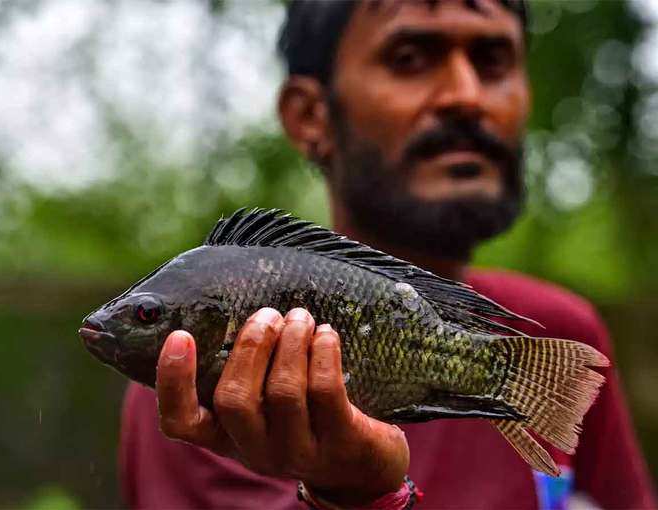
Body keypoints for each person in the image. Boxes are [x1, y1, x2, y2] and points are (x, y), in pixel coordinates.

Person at [120, 1, 657, 508]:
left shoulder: (555, 330)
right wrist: (354, 493)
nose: (466, 95)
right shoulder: (194, 389)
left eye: (493, 61)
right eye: (409, 59)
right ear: (311, 116)